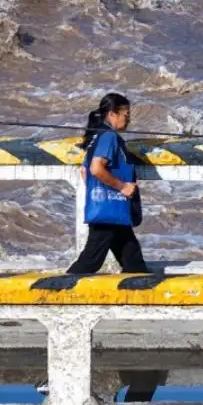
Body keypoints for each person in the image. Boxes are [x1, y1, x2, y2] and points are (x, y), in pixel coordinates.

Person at [67, 92, 148, 274]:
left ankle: (138, 294)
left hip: (110, 206)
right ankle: (57, 293)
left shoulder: (97, 137)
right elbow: (96, 169)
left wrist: (99, 192)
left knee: (132, 259)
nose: (128, 120)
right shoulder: (109, 137)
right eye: (125, 115)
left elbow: (84, 171)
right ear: (112, 114)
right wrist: (123, 187)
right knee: (90, 261)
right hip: (111, 206)